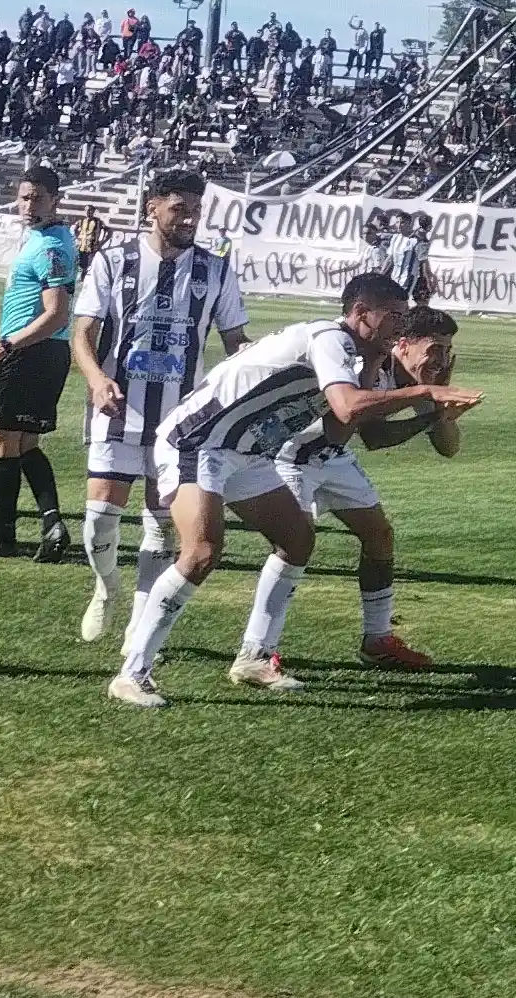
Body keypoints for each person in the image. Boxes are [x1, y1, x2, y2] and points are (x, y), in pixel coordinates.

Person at [110, 273, 484, 708]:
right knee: (202, 552)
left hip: (248, 452)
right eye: (393, 317)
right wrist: (426, 392)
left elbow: (352, 429)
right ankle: (133, 673)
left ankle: (254, 658)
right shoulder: (330, 338)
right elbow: (346, 407)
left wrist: (425, 403)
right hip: (198, 439)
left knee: (297, 540)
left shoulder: (361, 356)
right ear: (361, 314)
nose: (399, 327)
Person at [70, 168, 250, 646]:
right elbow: (82, 333)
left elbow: (236, 340)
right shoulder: (113, 261)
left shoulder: (215, 270)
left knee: (160, 522)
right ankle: (106, 587)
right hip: (118, 407)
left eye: (195, 210)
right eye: (179, 209)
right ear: (152, 207)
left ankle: (138, 621)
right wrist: (96, 378)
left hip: (179, 420)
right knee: (99, 518)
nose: (190, 218)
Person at [265, 304, 468, 670]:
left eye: (447, 350)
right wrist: (432, 406)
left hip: (330, 456)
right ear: (402, 346)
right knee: (293, 547)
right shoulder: (366, 364)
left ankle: (377, 641)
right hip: (289, 454)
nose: (441, 360)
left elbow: (448, 446)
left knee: (379, 536)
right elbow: (374, 436)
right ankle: (262, 650)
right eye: (434, 349)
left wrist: (440, 410)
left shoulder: (419, 380)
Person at [0, 166, 77, 560]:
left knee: (0, 440)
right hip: (43, 354)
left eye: (38, 198)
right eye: (25, 197)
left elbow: (57, 314)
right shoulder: (46, 239)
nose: (28, 206)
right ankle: (53, 525)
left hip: (30, 354)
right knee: (25, 443)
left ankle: (3, 537)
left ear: (55, 199)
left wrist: (4, 347)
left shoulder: (51, 248)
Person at [74, 206, 110, 278]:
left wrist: (102, 242)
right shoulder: (81, 220)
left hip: (92, 248)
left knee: (90, 265)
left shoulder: (98, 222)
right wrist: (78, 238)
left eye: (90, 211)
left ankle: (86, 279)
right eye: (87, 210)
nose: (88, 212)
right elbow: (75, 230)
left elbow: (109, 232)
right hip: (81, 247)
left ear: (93, 212)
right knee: (81, 264)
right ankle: (81, 279)